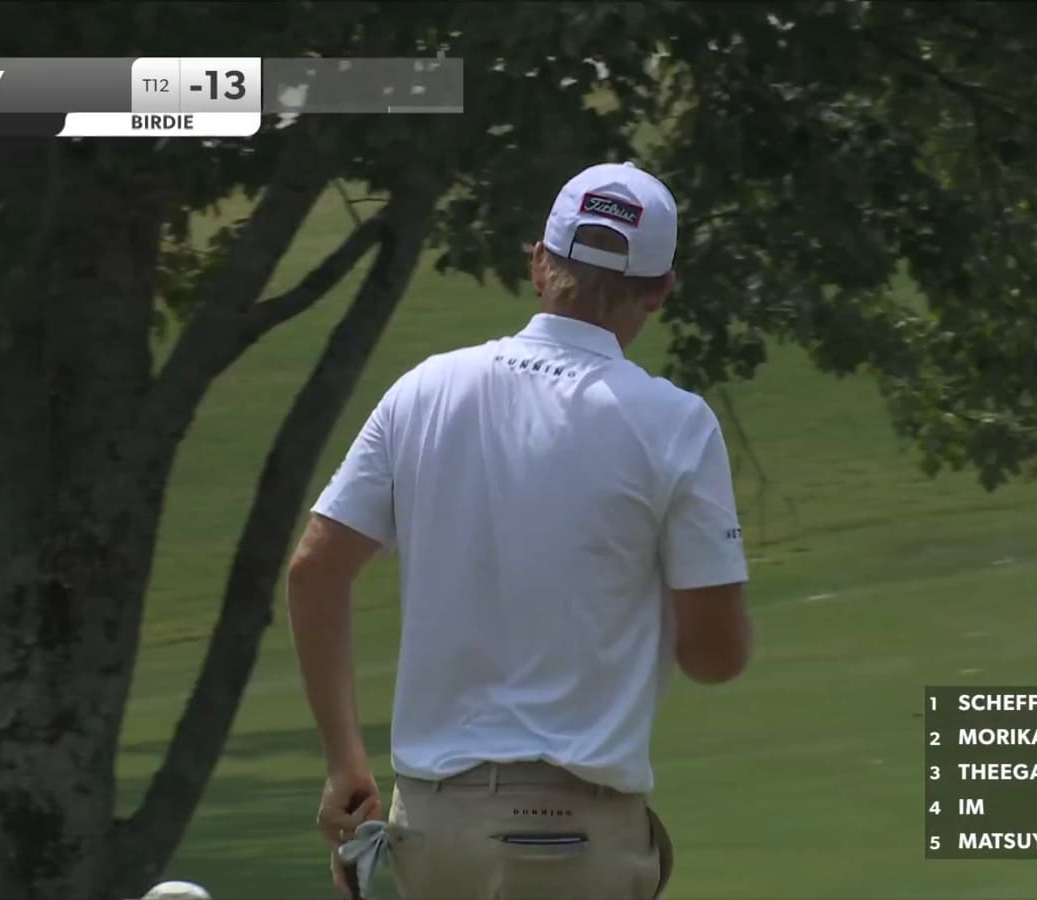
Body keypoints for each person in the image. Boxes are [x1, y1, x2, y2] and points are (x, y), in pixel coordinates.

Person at [287, 161, 753, 900]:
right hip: (576, 839)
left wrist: (346, 763)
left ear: (541, 261)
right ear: (661, 290)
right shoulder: (677, 425)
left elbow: (315, 570)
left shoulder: (425, 389)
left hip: (431, 834)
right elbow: (715, 656)